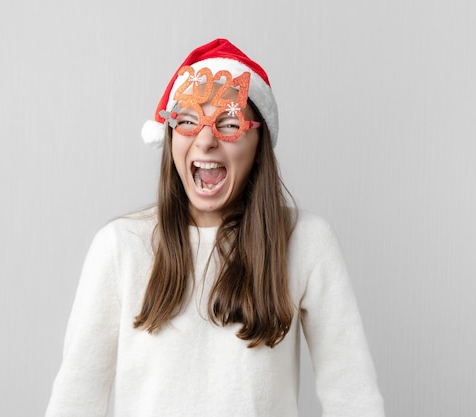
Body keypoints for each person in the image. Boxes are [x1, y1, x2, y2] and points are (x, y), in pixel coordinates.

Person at [45, 38, 385, 417]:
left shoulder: (307, 242)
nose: (205, 140)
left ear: (259, 143)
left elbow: (352, 396)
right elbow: (76, 398)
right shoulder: (120, 246)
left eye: (228, 123)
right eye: (189, 120)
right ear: (171, 134)